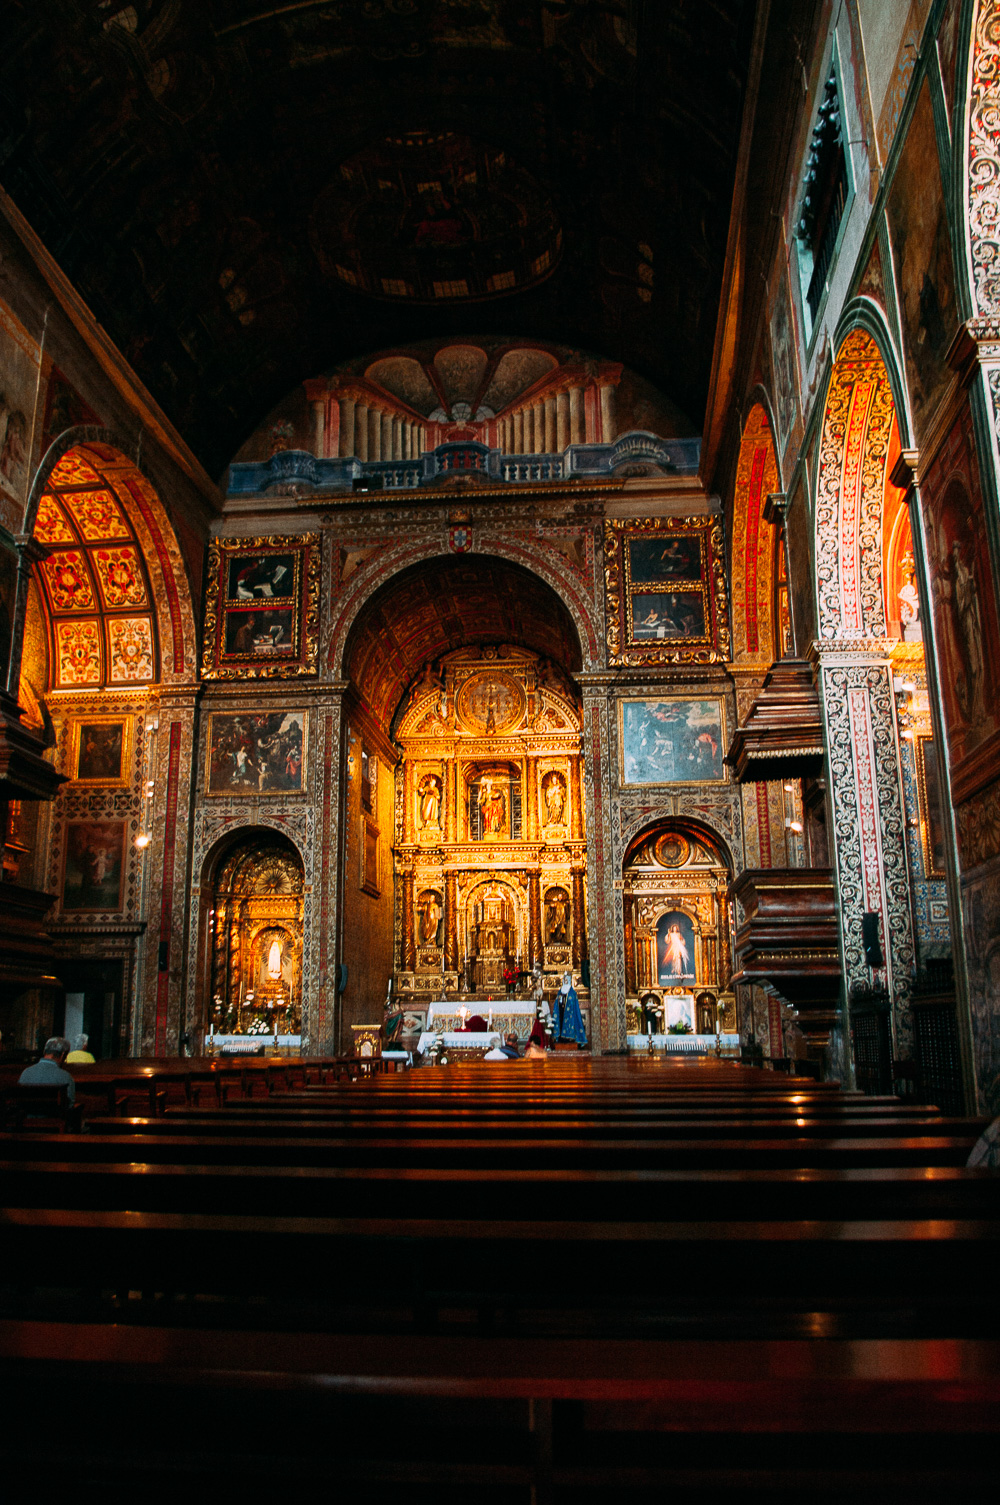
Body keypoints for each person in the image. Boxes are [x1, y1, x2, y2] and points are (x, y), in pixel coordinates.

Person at [19, 1037, 76, 1103]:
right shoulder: (65, 1077)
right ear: (63, 1055)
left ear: (44, 1052)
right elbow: (70, 1104)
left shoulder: (26, 1073)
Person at [553, 971, 587, 1047]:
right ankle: (560, 1037)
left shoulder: (572, 993)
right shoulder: (560, 991)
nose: (565, 981)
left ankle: (569, 1037)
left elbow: (574, 1004)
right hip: (561, 1011)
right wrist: (560, 1001)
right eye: (564, 979)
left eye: (567, 979)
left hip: (569, 1014)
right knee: (561, 1023)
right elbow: (556, 1002)